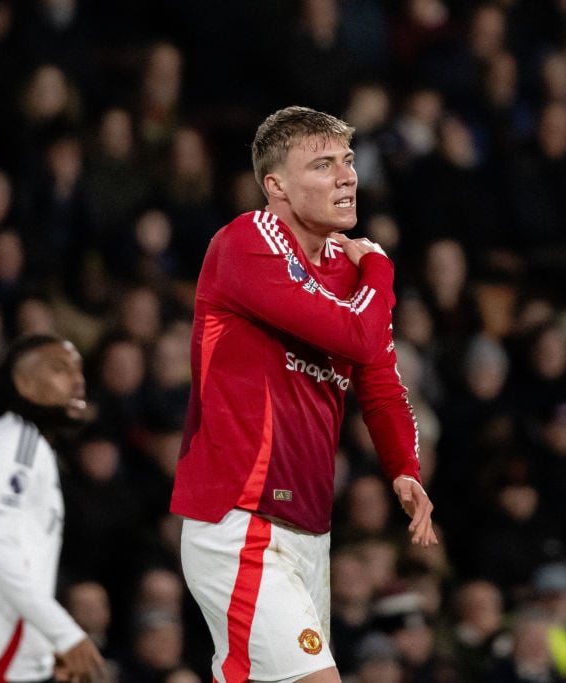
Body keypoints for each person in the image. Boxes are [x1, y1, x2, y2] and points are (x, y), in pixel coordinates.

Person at [170, 105, 437, 683]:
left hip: (309, 529)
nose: (347, 176)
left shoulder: (348, 272)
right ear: (277, 187)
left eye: (346, 161)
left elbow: (382, 381)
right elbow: (355, 333)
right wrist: (383, 272)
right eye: (323, 165)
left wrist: (403, 466)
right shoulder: (248, 242)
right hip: (242, 520)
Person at [0, 333, 108, 683]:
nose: (78, 381)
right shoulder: (18, 443)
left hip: (6, 655)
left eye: (79, 371)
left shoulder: (24, 443)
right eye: (60, 370)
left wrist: (43, 645)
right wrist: (64, 633)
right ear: (24, 383)